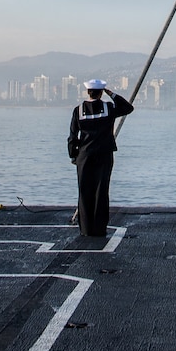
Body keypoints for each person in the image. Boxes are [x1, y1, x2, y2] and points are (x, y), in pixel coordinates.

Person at [68, 79, 133, 237]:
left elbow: (72, 136)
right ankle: (99, 228)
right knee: (101, 191)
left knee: (84, 191)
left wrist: (73, 155)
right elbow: (128, 108)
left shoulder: (78, 110)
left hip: (84, 156)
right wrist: (112, 94)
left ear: (87, 92)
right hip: (104, 155)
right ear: (101, 92)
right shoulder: (108, 108)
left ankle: (86, 229)